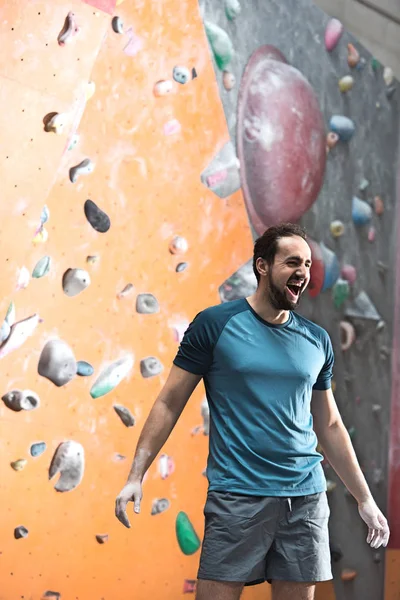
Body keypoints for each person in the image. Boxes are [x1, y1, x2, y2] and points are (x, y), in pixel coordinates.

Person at [115, 223, 390, 600]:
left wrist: (365, 499)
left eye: (307, 264)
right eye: (292, 262)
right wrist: (136, 474)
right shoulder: (215, 325)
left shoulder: (317, 339)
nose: (303, 272)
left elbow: (329, 424)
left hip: (305, 500)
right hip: (237, 498)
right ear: (262, 266)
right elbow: (168, 402)